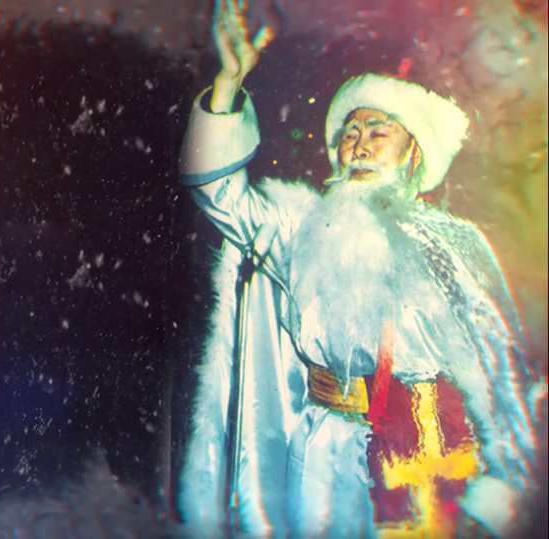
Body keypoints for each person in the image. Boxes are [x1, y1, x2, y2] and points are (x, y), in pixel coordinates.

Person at [177, 2, 538, 538]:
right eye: (350, 133)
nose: (360, 146)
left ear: (413, 154)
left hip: (426, 458)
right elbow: (216, 191)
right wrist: (228, 85)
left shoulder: (453, 243)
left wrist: (503, 481)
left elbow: (496, 368)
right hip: (322, 451)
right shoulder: (299, 228)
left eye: (378, 132)